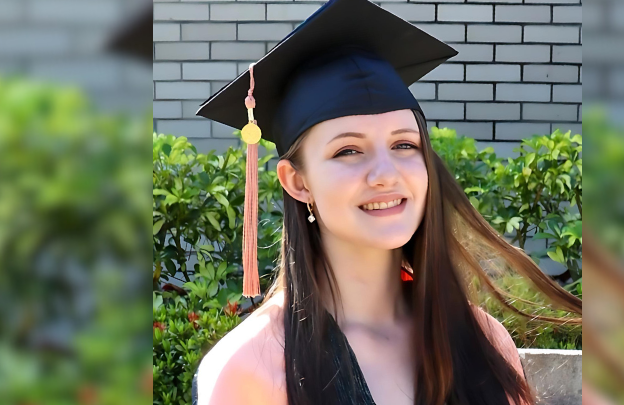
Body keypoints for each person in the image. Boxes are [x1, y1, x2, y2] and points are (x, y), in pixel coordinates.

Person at [193, 0, 582, 404]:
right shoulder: (253, 368)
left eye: (403, 144)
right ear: (297, 182)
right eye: (348, 151)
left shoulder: (481, 339)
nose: (386, 173)